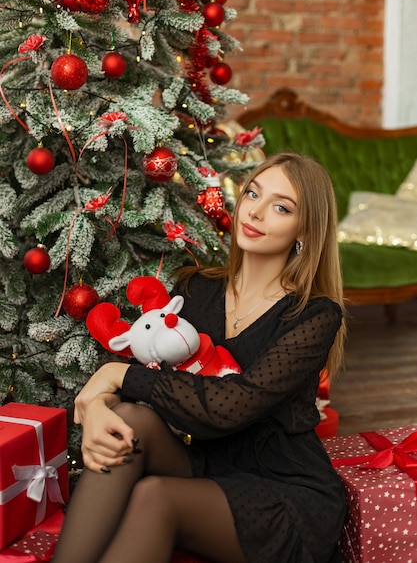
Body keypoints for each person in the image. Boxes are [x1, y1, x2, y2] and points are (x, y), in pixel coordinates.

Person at [53, 152, 347, 563]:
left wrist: (113, 374)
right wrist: (100, 405)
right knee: (129, 421)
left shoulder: (314, 314)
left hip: (280, 485)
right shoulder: (194, 290)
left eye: (281, 207)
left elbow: (232, 404)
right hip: (202, 458)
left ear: (304, 230)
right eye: (253, 194)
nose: (256, 212)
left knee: (155, 496)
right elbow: (146, 380)